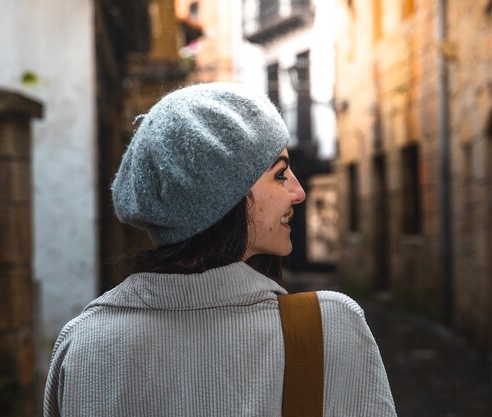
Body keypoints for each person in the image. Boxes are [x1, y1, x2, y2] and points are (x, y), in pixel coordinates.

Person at [43, 82, 397, 417]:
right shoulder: (327, 328)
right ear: (223, 199)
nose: (298, 192)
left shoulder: (82, 344)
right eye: (280, 174)